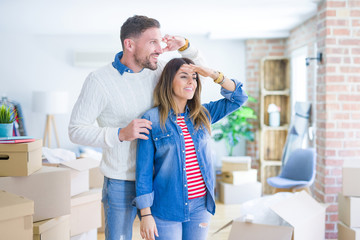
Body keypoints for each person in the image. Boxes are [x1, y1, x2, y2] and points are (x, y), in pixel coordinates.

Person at [68, 15, 204, 240]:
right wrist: (120, 134)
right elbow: (75, 130)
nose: (160, 49)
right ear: (129, 44)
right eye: (153, 42)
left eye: (160, 41)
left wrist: (186, 47)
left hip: (160, 180)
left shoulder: (160, 71)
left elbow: (200, 75)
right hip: (122, 183)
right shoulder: (99, 80)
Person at [134, 58, 248, 240]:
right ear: (169, 82)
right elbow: (143, 172)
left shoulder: (203, 114)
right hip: (166, 207)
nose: (191, 82)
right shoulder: (151, 119)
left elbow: (239, 98)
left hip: (200, 207)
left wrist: (212, 74)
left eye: (194, 78)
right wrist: (146, 214)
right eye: (184, 76)